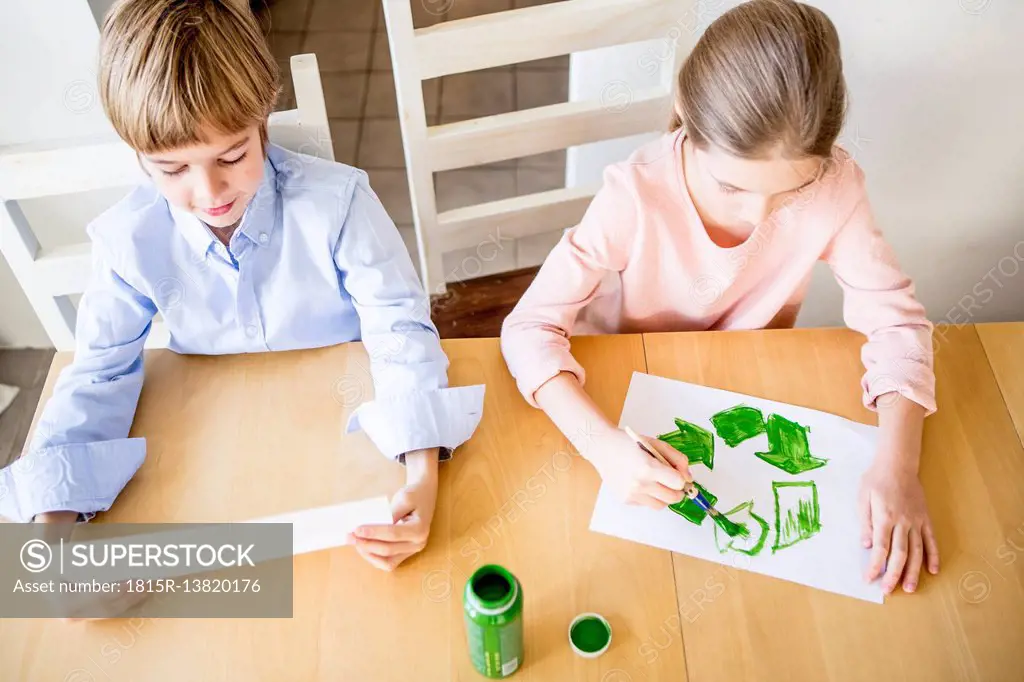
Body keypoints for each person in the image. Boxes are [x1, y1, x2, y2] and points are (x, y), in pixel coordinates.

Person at [0, 0, 484, 574]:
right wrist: (52, 541)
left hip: (347, 434)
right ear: (137, 157)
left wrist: (422, 474)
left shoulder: (340, 204)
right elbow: (98, 375)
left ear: (263, 121)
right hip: (207, 456)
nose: (210, 193)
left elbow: (399, 328)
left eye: (232, 155)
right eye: (171, 169)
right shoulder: (129, 240)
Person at [501, 0, 938, 594]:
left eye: (792, 191)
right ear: (686, 117)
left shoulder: (837, 189)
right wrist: (600, 445)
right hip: (627, 373)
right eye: (730, 186)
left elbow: (897, 326)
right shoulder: (635, 195)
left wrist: (898, 466)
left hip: (749, 380)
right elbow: (529, 329)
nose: (759, 216)